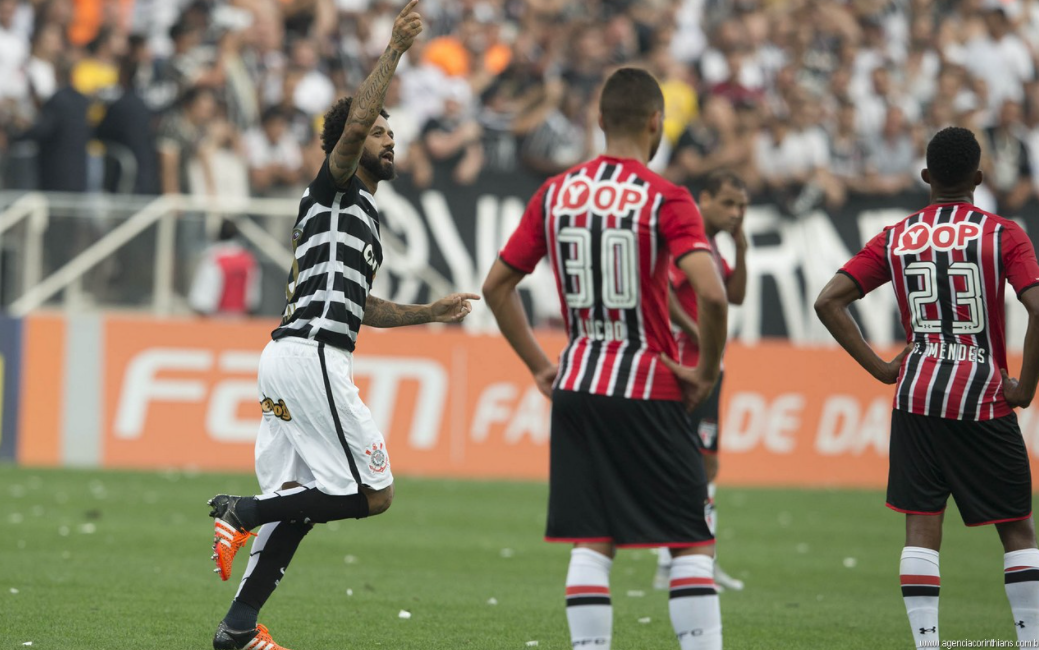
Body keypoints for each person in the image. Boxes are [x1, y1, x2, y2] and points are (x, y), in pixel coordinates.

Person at [204, 5, 479, 649]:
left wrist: (430, 313)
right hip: (310, 359)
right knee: (371, 492)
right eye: (379, 131)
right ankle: (243, 512)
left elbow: (365, 308)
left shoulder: (360, 219)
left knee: (301, 499)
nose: (388, 139)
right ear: (346, 146)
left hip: (290, 357)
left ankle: (237, 629)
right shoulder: (331, 189)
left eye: (390, 131)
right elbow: (353, 123)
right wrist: (395, 50)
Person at [483, 67, 729, 650]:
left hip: (579, 380)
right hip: (649, 382)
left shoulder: (555, 193)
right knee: (690, 540)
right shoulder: (667, 197)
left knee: (593, 541)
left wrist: (539, 365)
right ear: (656, 122)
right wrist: (707, 369)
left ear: (597, 121)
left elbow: (496, 286)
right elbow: (713, 294)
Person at [815, 126, 1039, 648]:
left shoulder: (897, 235)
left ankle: (928, 643)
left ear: (925, 177)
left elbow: (829, 300)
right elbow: (1036, 306)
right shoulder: (1004, 234)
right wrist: (1024, 386)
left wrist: (878, 367)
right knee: (1017, 531)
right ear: (979, 179)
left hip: (916, 396)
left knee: (921, 527)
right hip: (983, 398)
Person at [653, 170, 749, 594]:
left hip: (712, 367)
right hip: (687, 367)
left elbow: (736, 294)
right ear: (704, 198)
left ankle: (692, 560)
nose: (735, 213)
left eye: (741, 206)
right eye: (728, 203)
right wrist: (697, 333)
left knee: (703, 465)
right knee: (693, 464)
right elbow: (665, 292)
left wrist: (742, 248)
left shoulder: (712, 247)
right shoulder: (686, 242)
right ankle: (677, 561)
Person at [187, 220, 261, 317]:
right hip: (241, 320)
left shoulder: (214, 259)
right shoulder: (249, 260)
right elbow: (252, 298)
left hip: (216, 320)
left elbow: (202, 300)